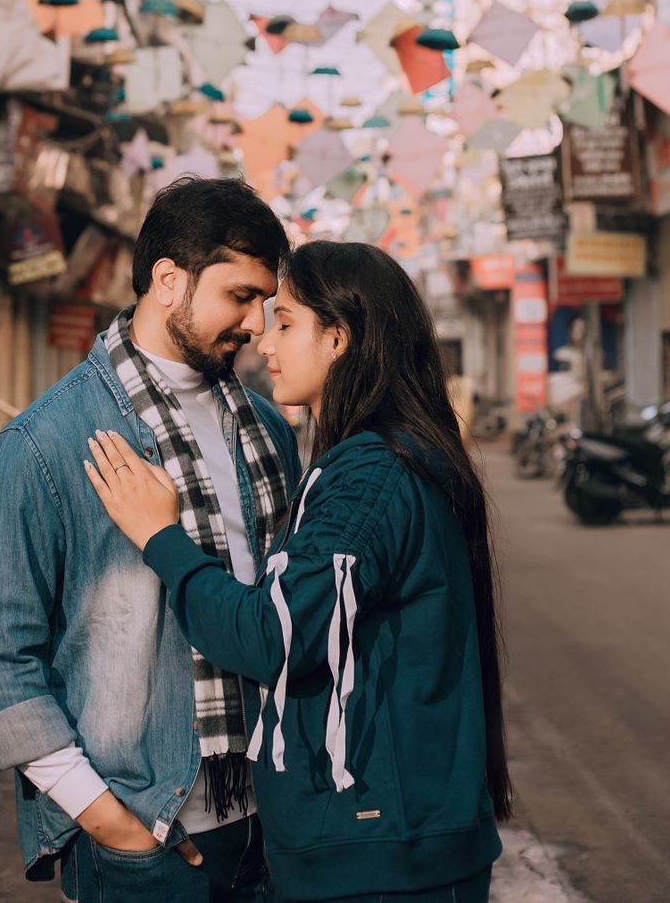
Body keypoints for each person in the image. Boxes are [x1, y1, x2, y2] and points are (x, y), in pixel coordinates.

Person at [84, 240, 512, 903]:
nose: (263, 342)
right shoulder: (391, 456)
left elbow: (272, 637)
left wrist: (160, 536)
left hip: (382, 861)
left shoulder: (370, 474)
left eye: (285, 322)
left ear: (338, 338)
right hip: (389, 846)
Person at [0, 177, 300, 903]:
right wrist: (104, 818)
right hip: (146, 833)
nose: (258, 323)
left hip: (275, 821)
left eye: (267, 301)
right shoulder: (47, 442)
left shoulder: (266, 430)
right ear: (169, 280)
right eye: (240, 296)